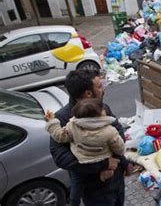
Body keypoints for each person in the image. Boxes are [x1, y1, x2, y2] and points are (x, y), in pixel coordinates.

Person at [49, 69, 127, 206]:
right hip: (94, 189)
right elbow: (60, 156)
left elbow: (118, 131)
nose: (103, 89)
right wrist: (103, 164)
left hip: (116, 181)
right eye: (99, 86)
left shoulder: (103, 108)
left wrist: (122, 163)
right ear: (88, 93)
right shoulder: (63, 118)